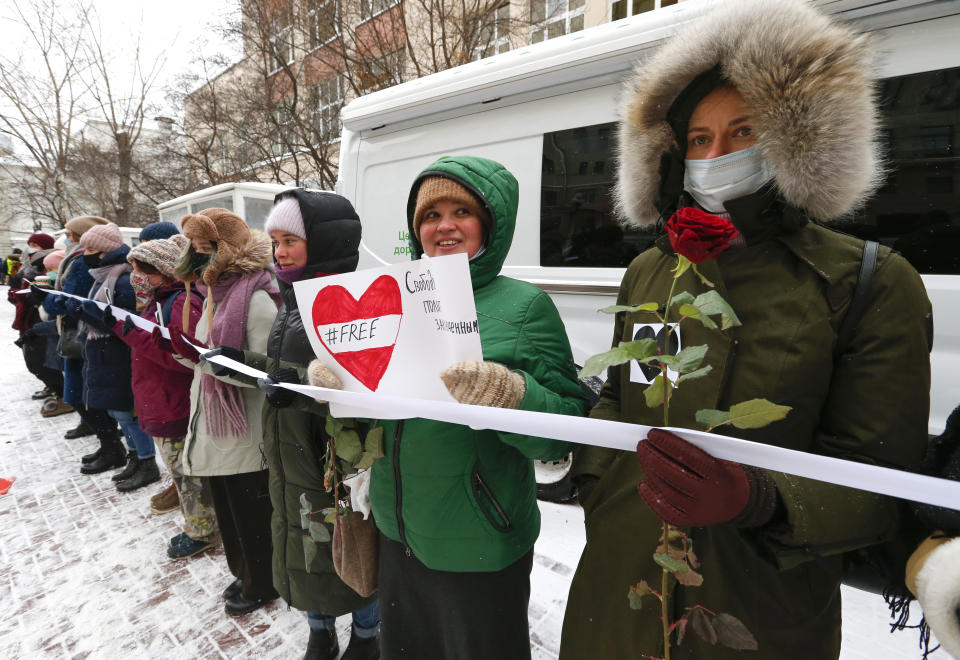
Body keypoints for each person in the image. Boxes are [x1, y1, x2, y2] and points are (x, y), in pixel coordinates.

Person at [559, 2, 932, 659]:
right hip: (620, 591)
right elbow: (622, 399)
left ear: (797, 138)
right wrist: (604, 491)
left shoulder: (865, 282)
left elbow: (883, 488)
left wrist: (757, 498)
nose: (717, 155)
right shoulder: (652, 272)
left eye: (743, 130)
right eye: (698, 140)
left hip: (758, 612)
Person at [307, 156, 588, 660]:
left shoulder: (524, 307)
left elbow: (565, 432)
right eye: (430, 215)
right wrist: (338, 383)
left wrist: (514, 394)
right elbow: (378, 408)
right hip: (397, 532)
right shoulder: (396, 296)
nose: (444, 225)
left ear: (491, 222)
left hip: (480, 535)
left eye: (462, 210)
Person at [208, 191, 381, 659]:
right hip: (290, 449)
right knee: (303, 541)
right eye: (275, 240)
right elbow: (284, 368)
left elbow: (365, 389)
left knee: (350, 540)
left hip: (334, 456)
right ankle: (319, 629)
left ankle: (368, 632)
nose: (279, 252)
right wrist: (241, 362)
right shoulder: (291, 298)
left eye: (290, 241)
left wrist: (301, 387)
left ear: (323, 243)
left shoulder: (349, 302)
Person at [163, 208, 281, 616]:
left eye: (206, 248)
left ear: (226, 248)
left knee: (251, 514)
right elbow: (210, 358)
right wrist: (186, 355)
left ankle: (262, 581)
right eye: (195, 249)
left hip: (246, 428)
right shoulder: (219, 293)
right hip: (218, 423)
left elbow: (265, 372)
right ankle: (244, 570)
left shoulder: (257, 297)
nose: (199, 256)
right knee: (231, 513)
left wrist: (209, 361)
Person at [106, 223, 220, 549]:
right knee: (181, 471)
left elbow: (182, 358)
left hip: (176, 403)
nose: (136, 278)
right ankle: (202, 524)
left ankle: (202, 531)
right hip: (160, 399)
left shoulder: (181, 303)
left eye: (144, 272)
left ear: (164, 271)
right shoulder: (159, 299)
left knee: (188, 475)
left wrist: (128, 332)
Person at [59, 222, 159, 490]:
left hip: (119, 356)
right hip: (104, 355)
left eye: (92, 249)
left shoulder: (123, 280)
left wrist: (84, 311)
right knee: (118, 411)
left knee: (128, 414)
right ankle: (134, 457)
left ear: (107, 251)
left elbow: (125, 325)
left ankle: (146, 460)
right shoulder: (103, 276)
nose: (86, 254)